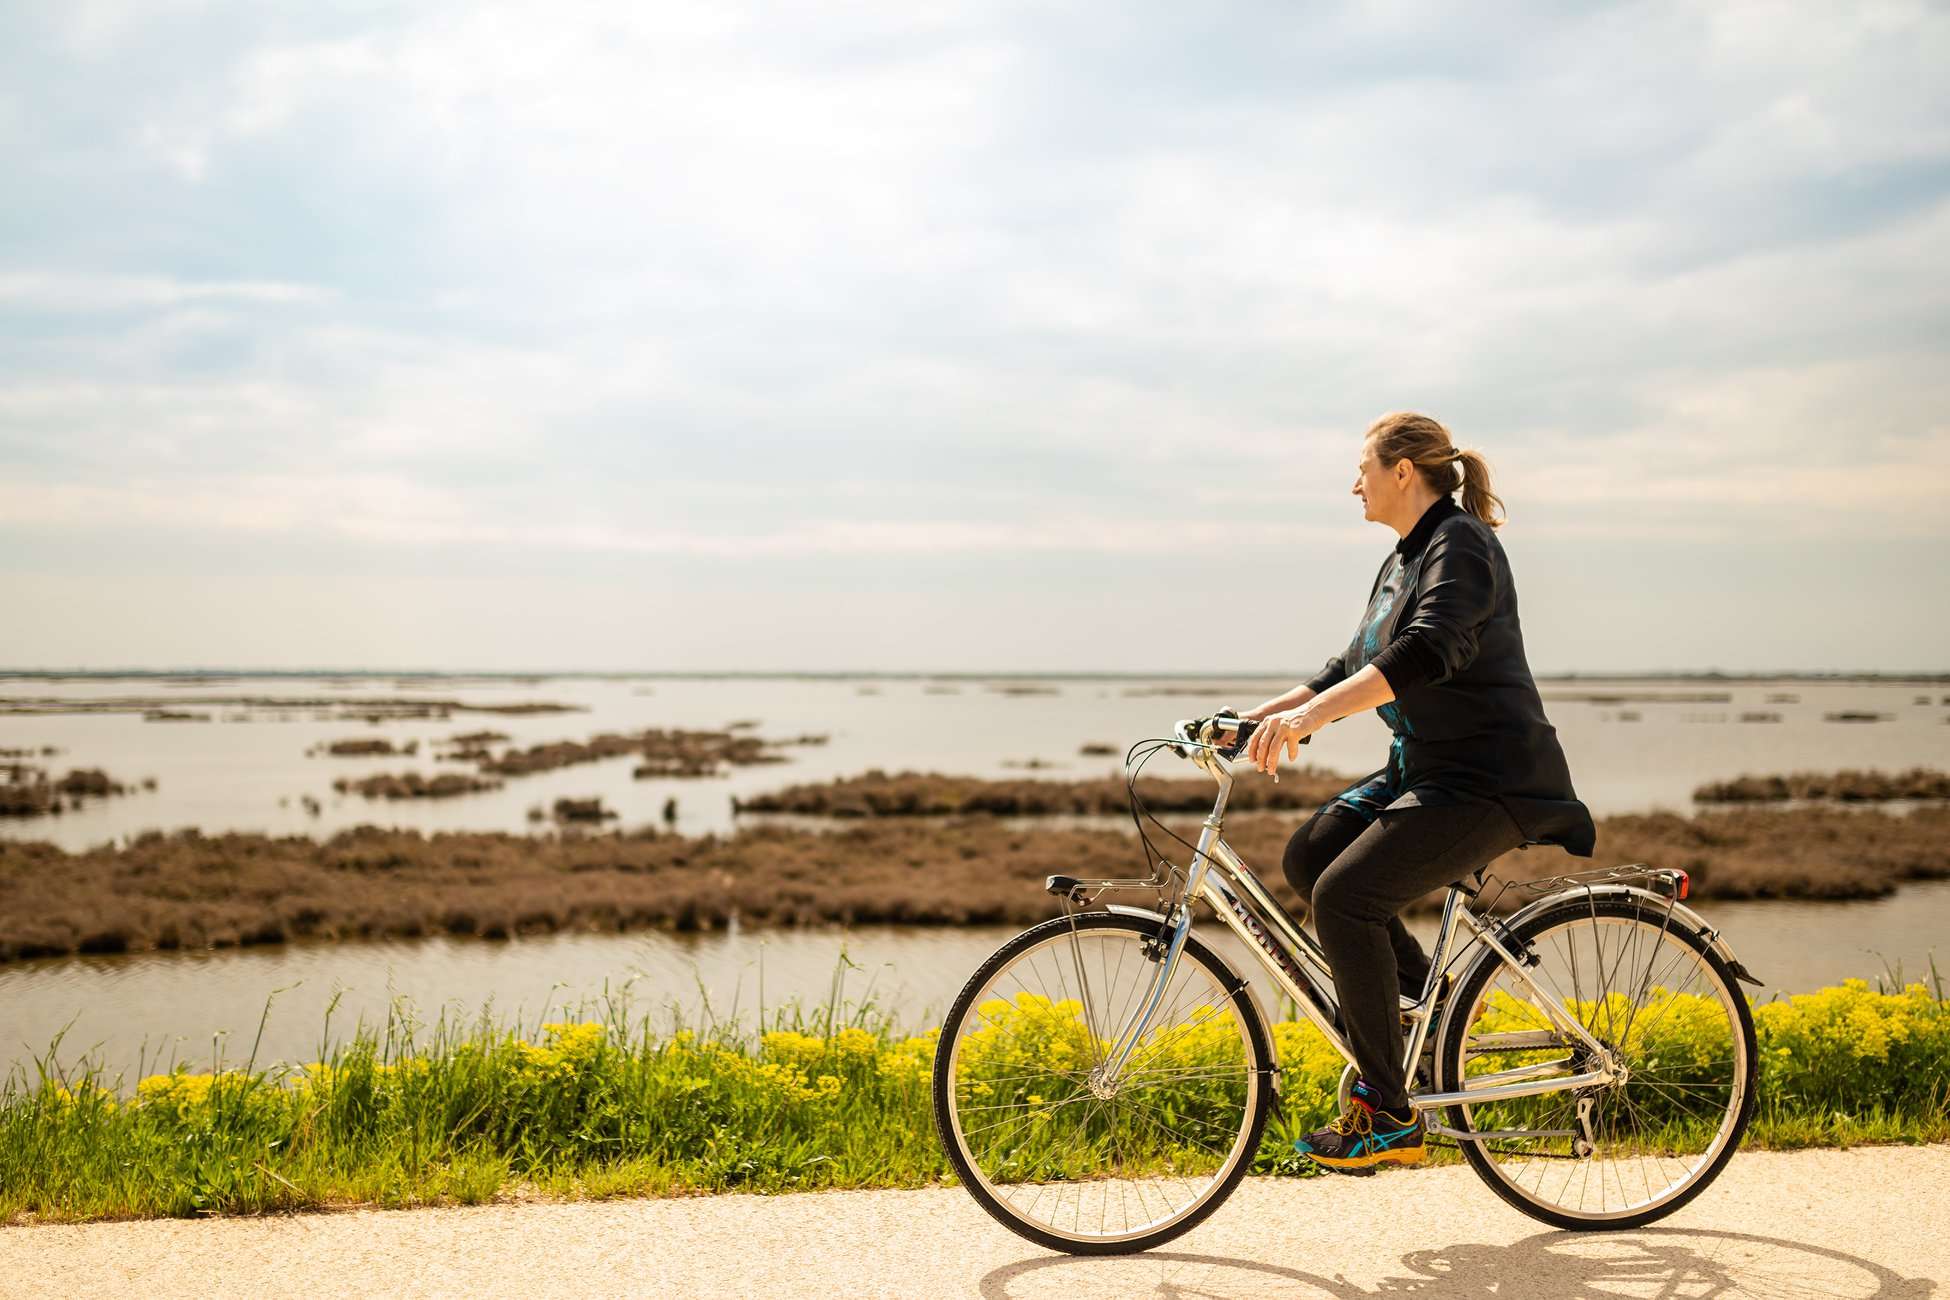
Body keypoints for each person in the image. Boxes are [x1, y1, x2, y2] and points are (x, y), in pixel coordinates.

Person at [1236, 411, 1594, 1173]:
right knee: (1311, 859)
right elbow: (1349, 667)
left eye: (1362, 468)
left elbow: (1431, 648)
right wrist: (1249, 722)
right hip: (1427, 767)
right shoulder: (1406, 557)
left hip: (1491, 777)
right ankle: (1432, 1007)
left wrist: (1310, 720)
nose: (1353, 485)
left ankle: (1388, 1113)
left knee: (1345, 898)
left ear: (1403, 471)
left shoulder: (1461, 543)